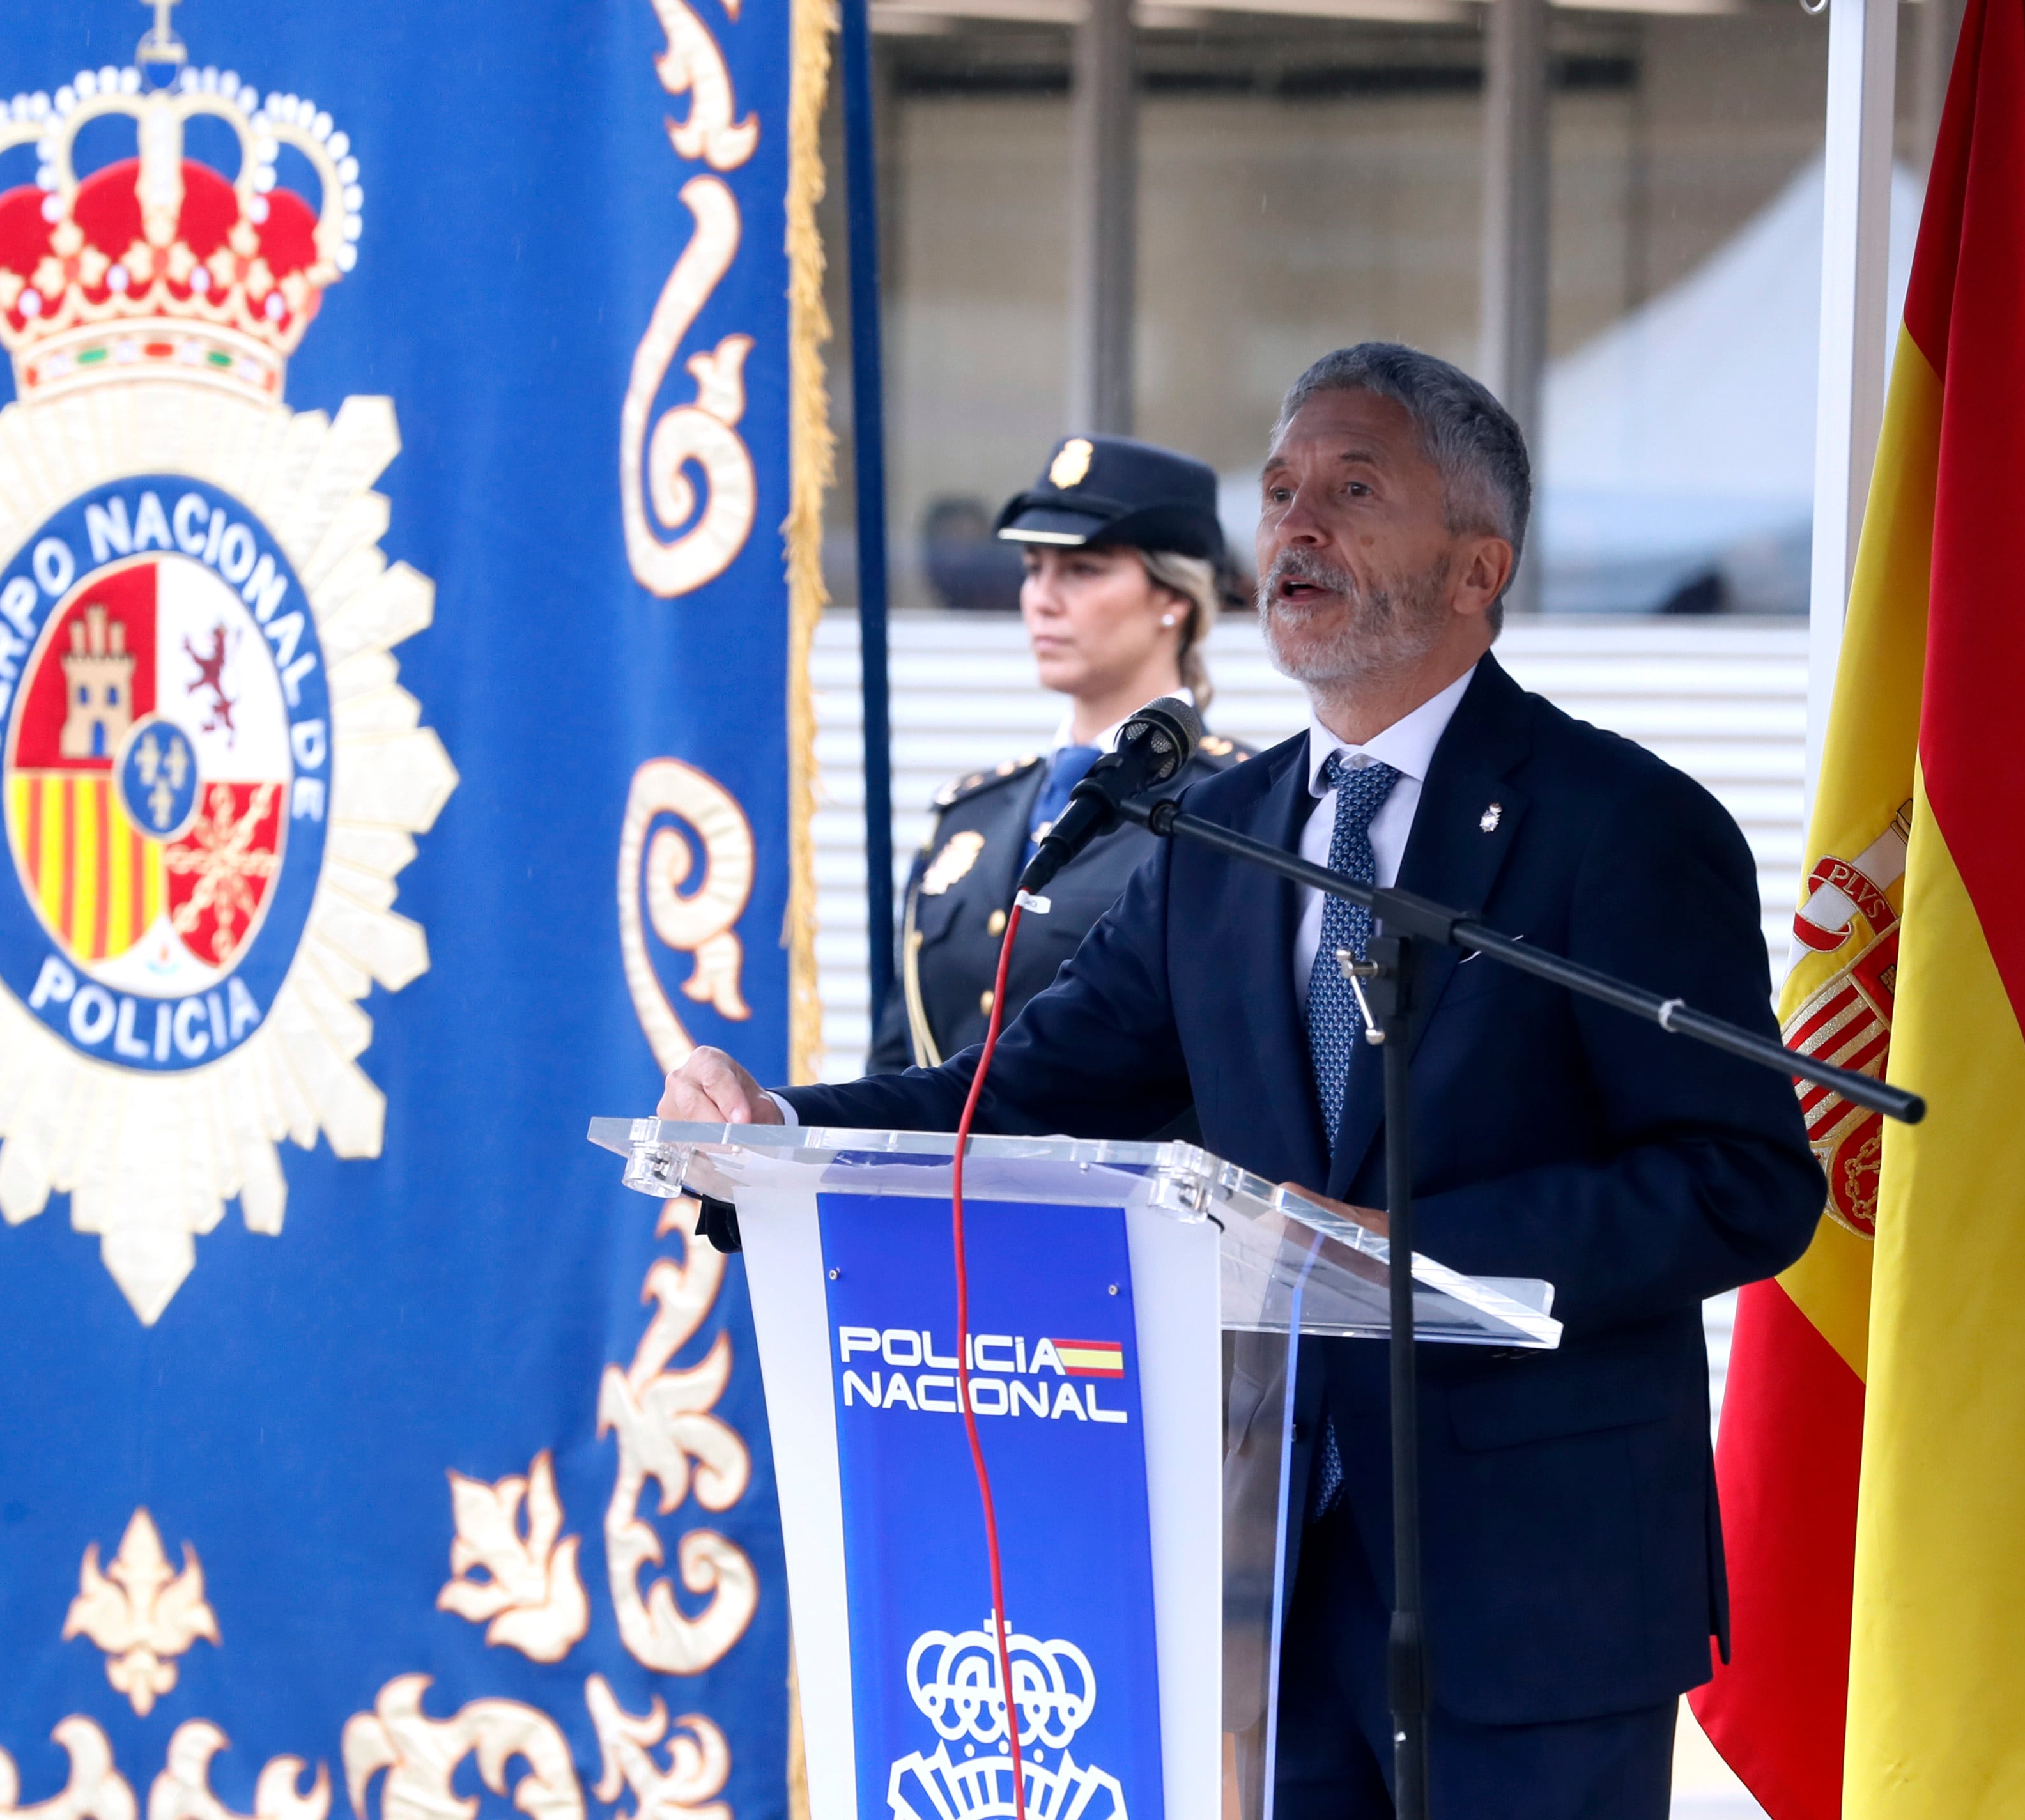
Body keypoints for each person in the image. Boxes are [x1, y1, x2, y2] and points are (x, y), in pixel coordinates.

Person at [664, 343, 1822, 1817]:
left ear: (1480, 566)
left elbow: (1740, 1180)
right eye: (1277, 492)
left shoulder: (1622, 824)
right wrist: (779, 1132)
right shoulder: (1216, 831)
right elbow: (1023, 1090)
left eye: (1351, 488)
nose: (1293, 529)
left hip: (1539, 1580)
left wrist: (1415, 1255)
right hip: (1272, 1570)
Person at [868, 435, 1251, 1074]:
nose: (1043, 599)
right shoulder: (969, 814)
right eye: (1033, 568)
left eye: (1083, 569)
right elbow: (895, 1058)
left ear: (1174, 597)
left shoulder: (1237, 806)